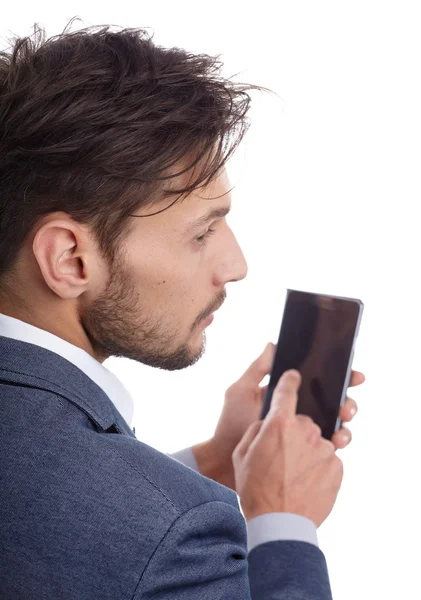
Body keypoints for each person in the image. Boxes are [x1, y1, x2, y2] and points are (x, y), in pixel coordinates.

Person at [0, 20, 365, 599]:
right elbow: (135, 535)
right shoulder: (178, 535)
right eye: (201, 234)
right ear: (70, 259)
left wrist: (212, 460)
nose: (235, 264)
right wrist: (281, 520)